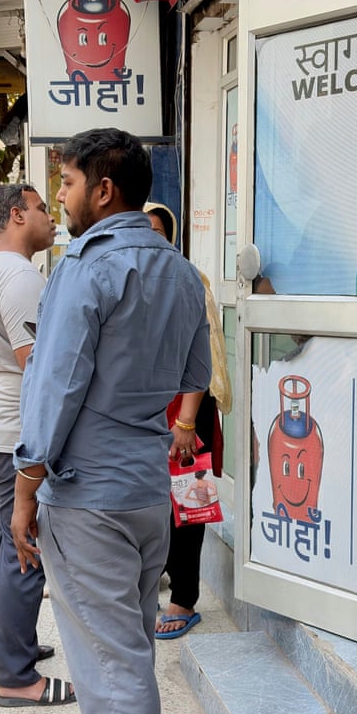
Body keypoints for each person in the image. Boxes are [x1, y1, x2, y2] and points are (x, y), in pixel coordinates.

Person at [11, 128, 211, 714]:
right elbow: (193, 372)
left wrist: (27, 487)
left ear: (102, 188)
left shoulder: (85, 269)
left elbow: (55, 384)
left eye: (64, 184)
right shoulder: (181, 273)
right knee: (126, 644)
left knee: (110, 658)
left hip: (88, 490)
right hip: (142, 488)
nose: (59, 198)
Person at [0, 183, 73, 707]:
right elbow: (38, 365)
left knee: (0, 540)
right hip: (16, 430)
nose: (52, 217)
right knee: (25, 547)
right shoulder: (23, 275)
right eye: (44, 208)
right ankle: (18, 676)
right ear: (18, 214)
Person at [144, 202, 233, 640]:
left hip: (185, 411)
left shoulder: (186, 280)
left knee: (187, 507)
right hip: (149, 411)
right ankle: (159, 579)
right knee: (155, 506)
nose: (150, 238)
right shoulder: (136, 280)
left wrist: (186, 421)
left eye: (158, 231)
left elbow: (202, 359)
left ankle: (184, 599)